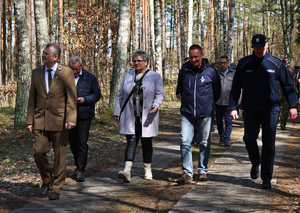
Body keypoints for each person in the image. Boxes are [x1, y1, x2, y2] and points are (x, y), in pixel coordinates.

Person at [228, 34, 298, 189]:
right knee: (248, 139)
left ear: (267, 45)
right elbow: (235, 87)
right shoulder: (244, 63)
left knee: (269, 143)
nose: (259, 51)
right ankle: (255, 161)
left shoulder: (276, 63)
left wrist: (293, 105)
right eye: (256, 48)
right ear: (252, 47)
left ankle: (267, 177)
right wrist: (233, 107)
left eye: (261, 47)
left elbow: (288, 85)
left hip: (271, 109)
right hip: (250, 109)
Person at [26, 43, 77, 200]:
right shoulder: (36, 73)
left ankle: (56, 187)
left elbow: (71, 97)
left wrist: (71, 118)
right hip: (40, 120)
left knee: (60, 156)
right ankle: (47, 180)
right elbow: (32, 98)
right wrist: (30, 121)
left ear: (55, 57)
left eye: (46, 53)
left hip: (60, 121)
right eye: (43, 53)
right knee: (38, 152)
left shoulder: (66, 73)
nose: (43, 55)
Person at [113, 49, 164, 183]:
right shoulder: (128, 75)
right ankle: (127, 171)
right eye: (134, 61)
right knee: (131, 141)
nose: (136, 63)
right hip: (131, 115)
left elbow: (160, 93)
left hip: (147, 115)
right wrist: (117, 111)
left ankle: (148, 169)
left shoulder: (155, 76)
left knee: (146, 142)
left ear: (146, 62)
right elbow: (120, 95)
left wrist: (156, 104)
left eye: (139, 61)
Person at [176, 44, 221, 183]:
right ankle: (187, 172)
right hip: (187, 113)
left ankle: (202, 171)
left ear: (202, 55)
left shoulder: (211, 72)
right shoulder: (184, 71)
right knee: (185, 141)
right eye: (191, 57)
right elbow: (180, 90)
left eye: (196, 57)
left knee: (204, 142)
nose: (193, 59)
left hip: (205, 113)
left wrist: (207, 104)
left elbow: (217, 92)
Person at [68, 56, 101, 182]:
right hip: (69, 115)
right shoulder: (65, 77)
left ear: (81, 66)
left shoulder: (90, 77)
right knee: (72, 142)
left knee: (82, 142)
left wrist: (85, 100)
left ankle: (80, 169)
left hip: (85, 114)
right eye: (72, 69)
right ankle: (78, 163)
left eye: (76, 69)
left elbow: (97, 95)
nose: (74, 72)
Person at [215, 55, 235, 146]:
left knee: (228, 121)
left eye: (224, 63)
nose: (222, 65)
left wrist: (237, 102)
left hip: (229, 102)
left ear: (228, 63)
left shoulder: (233, 73)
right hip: (218, 101)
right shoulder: (215, 73)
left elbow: (238, 88)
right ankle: (222, 137)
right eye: (221, 63)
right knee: (219, 121)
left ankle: (227, 138)